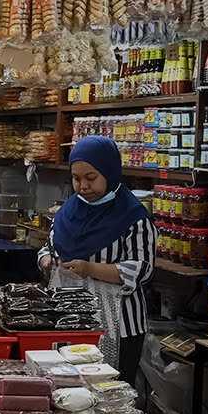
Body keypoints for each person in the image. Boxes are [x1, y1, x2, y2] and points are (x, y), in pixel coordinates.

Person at [37, 135, 156, 386]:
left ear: (110, 172)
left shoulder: (133, 216)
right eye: (76, 179)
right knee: (67, 389)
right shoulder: (69, 211)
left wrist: (90, 268)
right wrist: (47, 260)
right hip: (69, 318)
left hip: (119, 326)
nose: (83, 186)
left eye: (91, 178)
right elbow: (49, 246)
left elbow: (141, 269)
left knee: (111, 393)